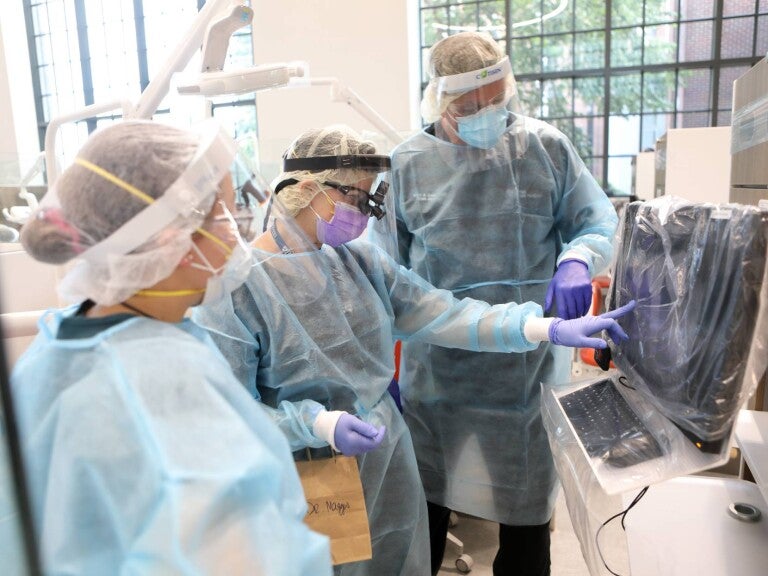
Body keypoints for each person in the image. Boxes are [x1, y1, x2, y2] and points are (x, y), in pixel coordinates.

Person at [193, 125, 633, 576]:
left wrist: (546, 327)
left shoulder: (360, 263)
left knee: (397, 561)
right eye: (358, 199)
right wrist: (317, 423)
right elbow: (227, 415)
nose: (367, 212)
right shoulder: (238, 288)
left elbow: (447, 313)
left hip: (384, 459)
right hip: (300, 477)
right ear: (308, 189)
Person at [9, 120, 332, 575]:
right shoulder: (161, 378)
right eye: (224, 211)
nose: (239, 223)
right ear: (172, 240)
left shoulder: (58, 347)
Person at [369, 30, 621, 576]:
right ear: (440, 101)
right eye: (469, 106)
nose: (487, 114)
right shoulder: (406, 165)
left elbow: (595, 219)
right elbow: (380, 272)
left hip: (528, 370)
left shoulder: (544, 148)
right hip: (439, 371)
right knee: (426, 511)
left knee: (527, 511)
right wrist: (376, 361)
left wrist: (577, 258)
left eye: (496, 99)